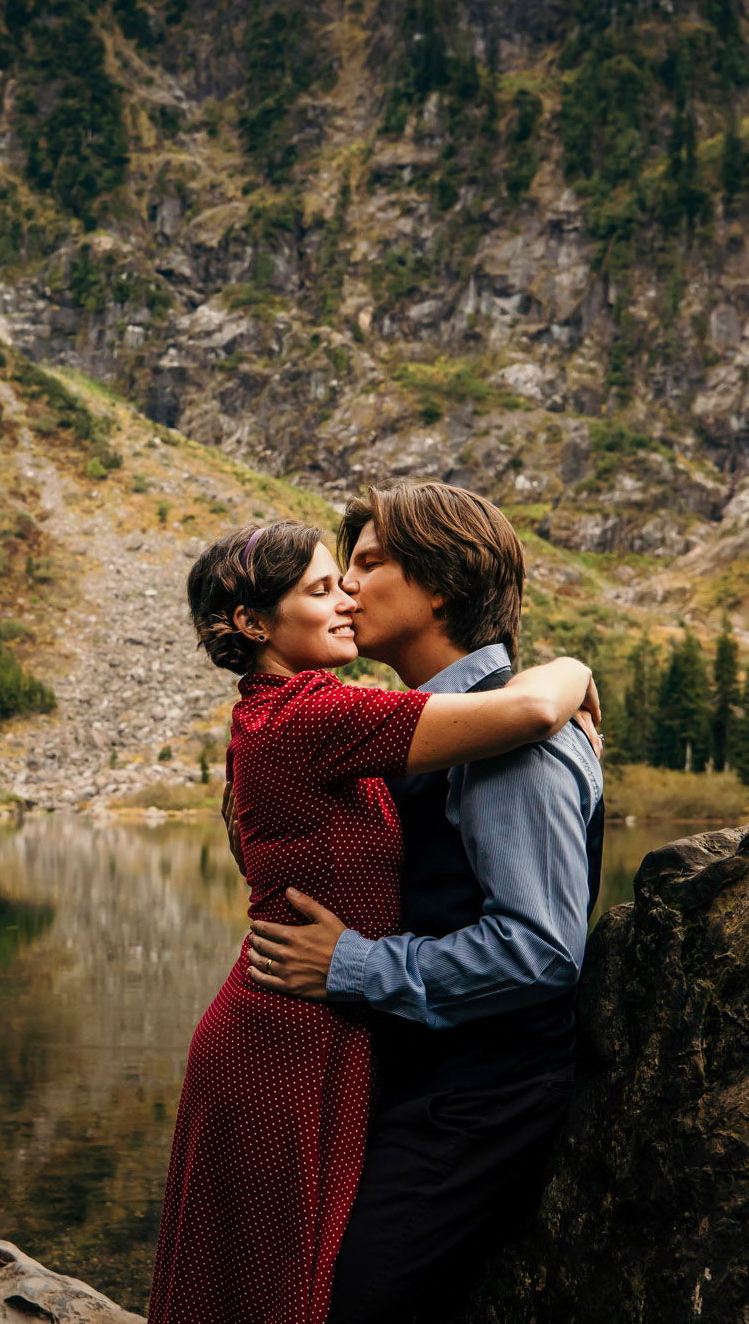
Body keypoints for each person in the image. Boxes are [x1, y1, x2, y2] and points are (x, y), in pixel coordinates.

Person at [146, 518, 599, 1324]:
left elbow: (537, 939)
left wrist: (357, 964)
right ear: (253, 623)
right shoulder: (308, 714)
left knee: (290, 1281)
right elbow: (530, 707)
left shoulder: (313, 712)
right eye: (325, 585)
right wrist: (574, 667)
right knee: (274, 1282)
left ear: (439, 590)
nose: (348, 594)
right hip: (284, 1034)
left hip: (338, 1036)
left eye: (358, 570)